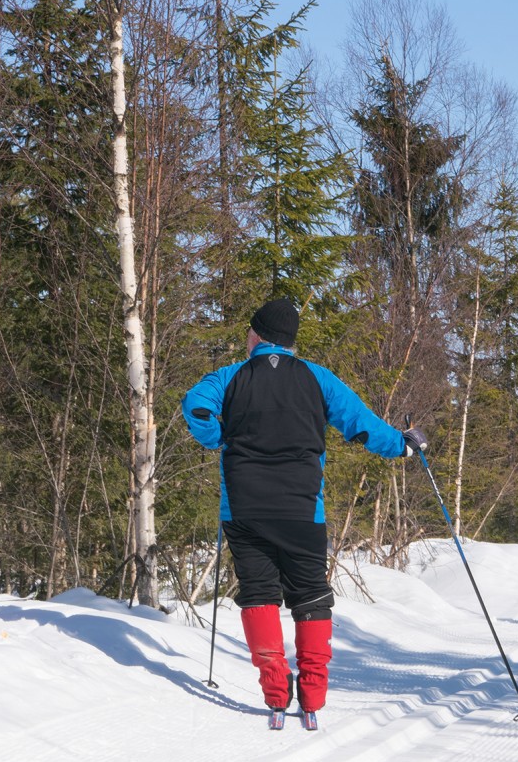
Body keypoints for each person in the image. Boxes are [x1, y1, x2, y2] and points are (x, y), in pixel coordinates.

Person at [181, 298, 426, 724]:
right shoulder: (317, 378)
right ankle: (311, 696)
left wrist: (220, 437)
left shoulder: (230, 376)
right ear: (290, 341)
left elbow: (196, 405)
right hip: (301, 509)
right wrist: (403, 444)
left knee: (258, 593)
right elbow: (361, 423)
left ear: (256, 335)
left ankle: (275, 692)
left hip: (243, 506)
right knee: (310, 594)